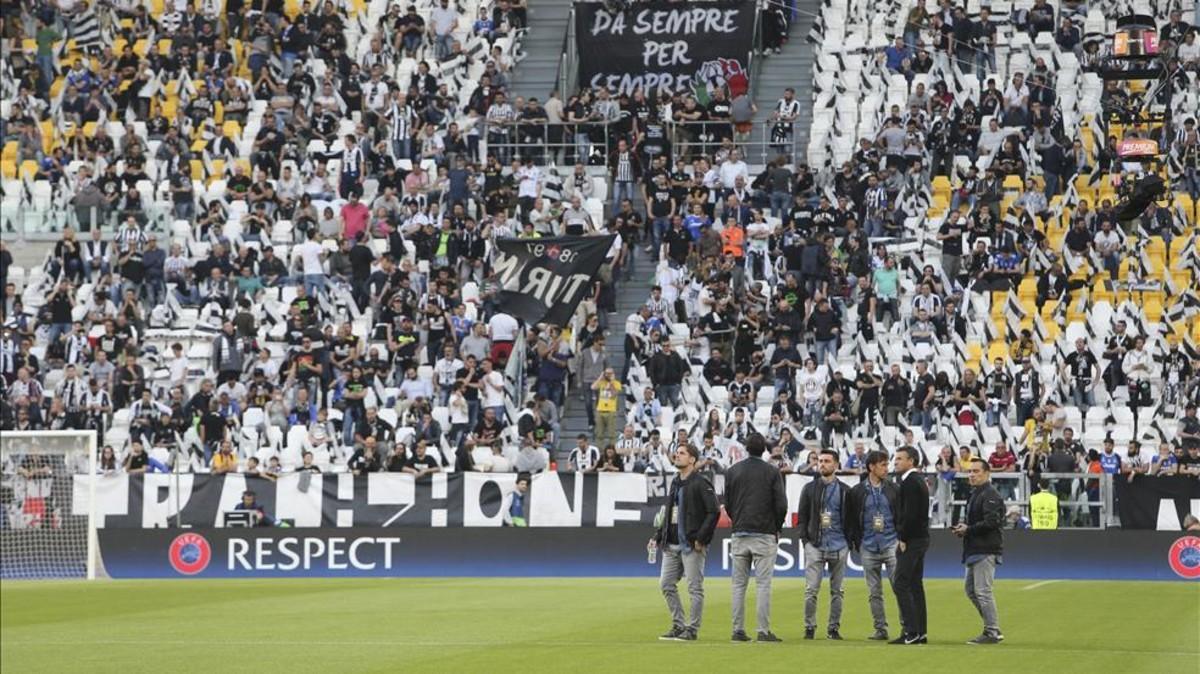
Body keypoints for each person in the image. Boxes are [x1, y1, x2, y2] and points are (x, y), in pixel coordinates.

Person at [723, 433, 787, 642]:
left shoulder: (732, 471)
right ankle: (763, 631)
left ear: (746, 449)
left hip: (740, 532)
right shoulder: (772, 472)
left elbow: (728, 504)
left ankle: (737, 630)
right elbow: (781, 504)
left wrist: (737, 520)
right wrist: (777, 527)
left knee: (738, 585)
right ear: (764, 450)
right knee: (763, 585)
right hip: (764, 533)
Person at [652, 444, 719, 642]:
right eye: (677, 453)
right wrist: (658, 535)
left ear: (692, 460)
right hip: (672, 543)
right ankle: (678, 625)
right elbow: (669, 512)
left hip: (691, 544)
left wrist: (701, 538)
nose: (677, 455)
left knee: (694, 588)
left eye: (682, 453)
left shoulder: (701, 482)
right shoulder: (675, 482)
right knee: (666, 584)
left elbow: (714, 511)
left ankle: (692, 629)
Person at [846, 450, 901, 641]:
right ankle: (880, 629)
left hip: (891, 543)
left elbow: (900, 515)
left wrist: (901, 538)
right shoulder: (856, 492)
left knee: (900, 588)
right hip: (868, 546)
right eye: (883, 465)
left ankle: (907, 627)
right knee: (874, 592)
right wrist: (857, 542)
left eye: (887, 464)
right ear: (871, 467)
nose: (887, 468)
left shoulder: (894, 489)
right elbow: (852, 519)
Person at [797, 449, 850, 640]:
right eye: (820, 461)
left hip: (839, 544)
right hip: (815, 545)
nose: (822, 464)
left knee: (838, 591)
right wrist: (806, 541)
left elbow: (851, 518)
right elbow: (802, 517)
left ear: (836, 464)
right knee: (811, 590)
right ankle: (809, 627)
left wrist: (848, 542)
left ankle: (833, 629)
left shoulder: (845, 490)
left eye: (827, 461)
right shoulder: (809, 488)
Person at [954, 458, 1006, 644]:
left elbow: (992, 522)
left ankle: (991, 631)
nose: (972, 475)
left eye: (976, 471)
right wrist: (964, 528)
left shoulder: (990, 494)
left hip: (986, 548)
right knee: (971, 590)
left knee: (983, 591)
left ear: (987, 473)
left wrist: (968, 529)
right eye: (970, 471)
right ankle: (992, 627)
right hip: (974, 548)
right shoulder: (976, 493)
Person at [891, 445, 930, 645]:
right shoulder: (917, 480)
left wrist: (903, 538)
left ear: (911, 461)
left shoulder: (910, 482)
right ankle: (920, 632)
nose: (895, 461)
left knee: (900, 583)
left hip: (912, 539)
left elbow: (910, 514)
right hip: (920, 538)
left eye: (900, 458)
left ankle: (911, 631)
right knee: (915, 585)